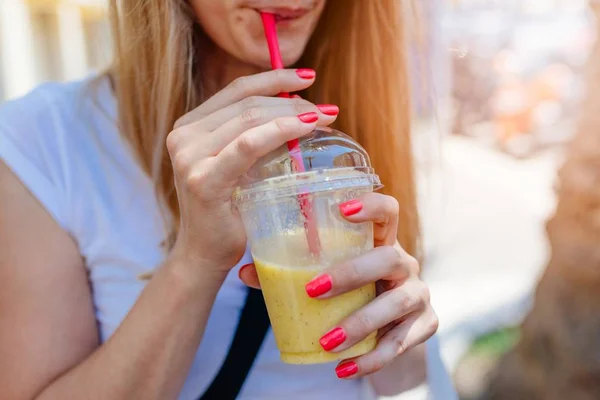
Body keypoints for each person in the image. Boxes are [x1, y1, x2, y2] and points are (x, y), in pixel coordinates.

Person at [0, 1, 448, 399]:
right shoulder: (39, 145)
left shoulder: (363, 106)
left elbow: (401, 385)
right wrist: (196, 261)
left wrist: (396, 328)